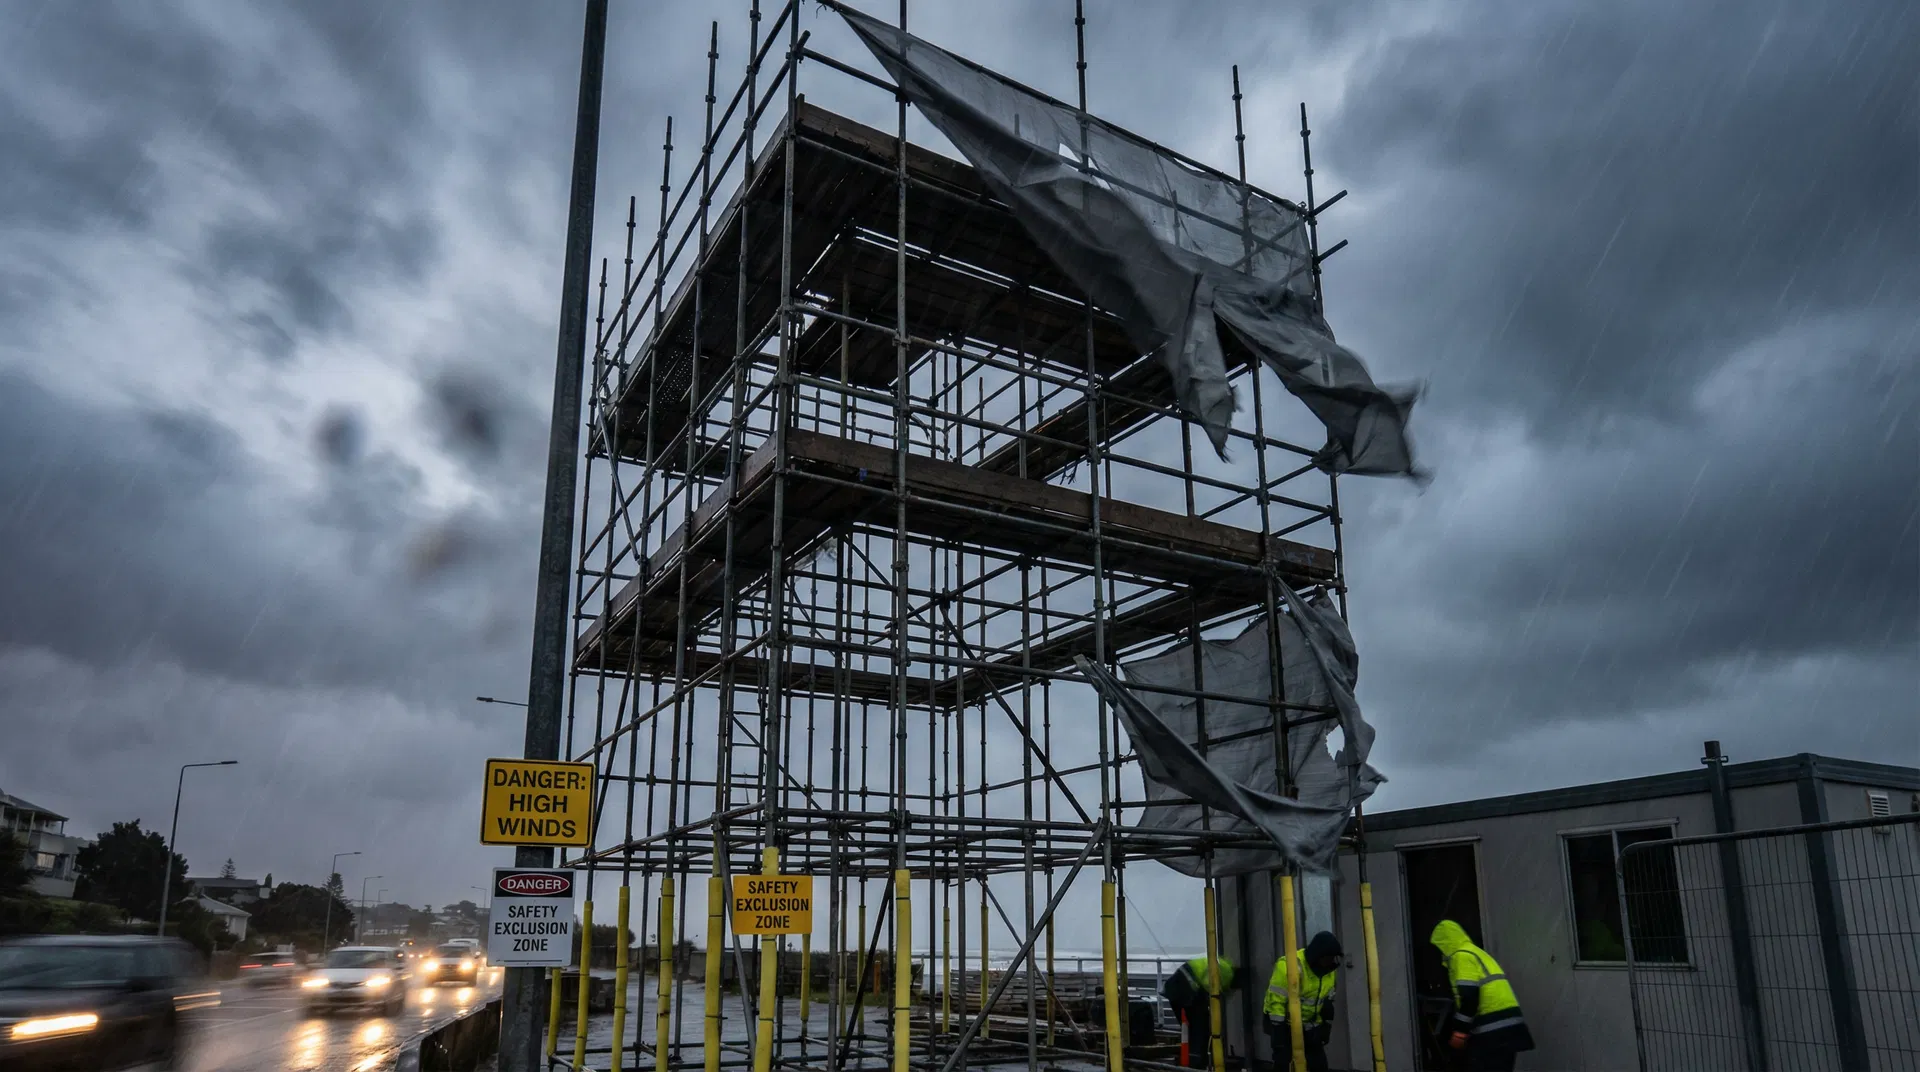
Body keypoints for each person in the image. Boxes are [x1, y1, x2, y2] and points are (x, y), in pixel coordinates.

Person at [1429, 921, 1535, 1072]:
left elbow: (1470, 997)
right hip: (1509, 1027)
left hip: (1492, 1030)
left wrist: (1460, 1031)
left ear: (1445, 943)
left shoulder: (1462, 956)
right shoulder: (1477, 952)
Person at [1264, 931, 1340, 1072]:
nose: (1331, 961)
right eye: (1328, 957)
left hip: (1310, 1024)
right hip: (1284, 1024)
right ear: (1318, 955)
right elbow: (1276, 1003)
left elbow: (1327, 1002)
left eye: (1332, 958)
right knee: (1284, 1064)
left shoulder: (1329, 971)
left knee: (1319, 1065)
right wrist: (1278, 1035)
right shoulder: (1289, 966)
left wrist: (1325, 1027)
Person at [1162, 953, 1237, 1069]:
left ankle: (1193, 1059)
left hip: (1174, 987)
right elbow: (1210, 986)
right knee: (1199, 1028)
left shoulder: (1223, 964)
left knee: (1190, 1029)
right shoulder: (1228, 974)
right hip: (1187, 986)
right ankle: (1197, 1062)